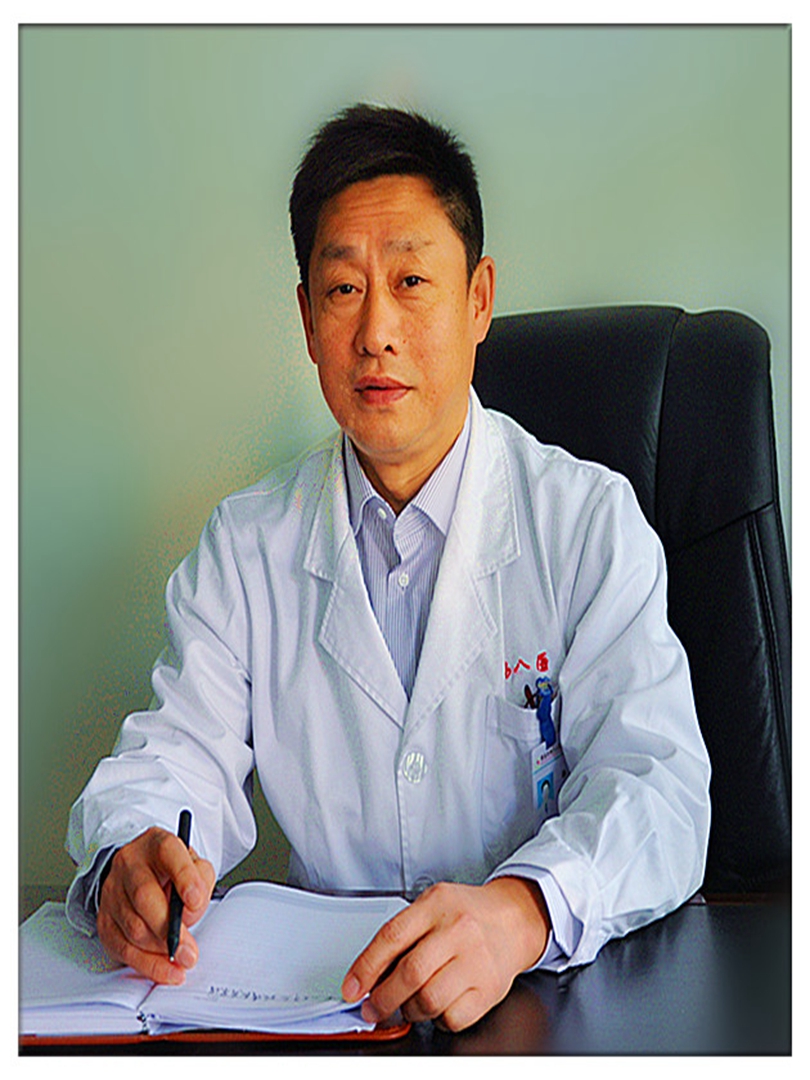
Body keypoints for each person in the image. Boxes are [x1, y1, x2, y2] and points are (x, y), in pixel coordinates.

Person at [65, 104, 711, 1033]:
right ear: (306, 319)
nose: (376, 332)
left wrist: (524, 910)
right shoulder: (246, 545)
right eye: (343, 289)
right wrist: (134, 851)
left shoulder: (587, 523)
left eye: (411, 281)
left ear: (479, 300)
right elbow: (177, 752)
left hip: (555, 1006)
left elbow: (659, 790)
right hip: (332, 1010)